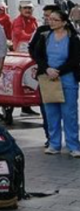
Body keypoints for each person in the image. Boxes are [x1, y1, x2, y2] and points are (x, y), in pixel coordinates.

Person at [31, 8, 80, 156]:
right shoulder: (45, 36)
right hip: (48, 78)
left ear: (64, 22)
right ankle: (54, 144)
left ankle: (73, 145)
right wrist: (46, 69)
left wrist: (58, 71)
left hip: (67, 77)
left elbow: (75, 59)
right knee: (51, 112)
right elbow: (37, 54)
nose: (50, 22)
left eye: (54, 20)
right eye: (49, 19)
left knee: (69, 113)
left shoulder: (73, 38)